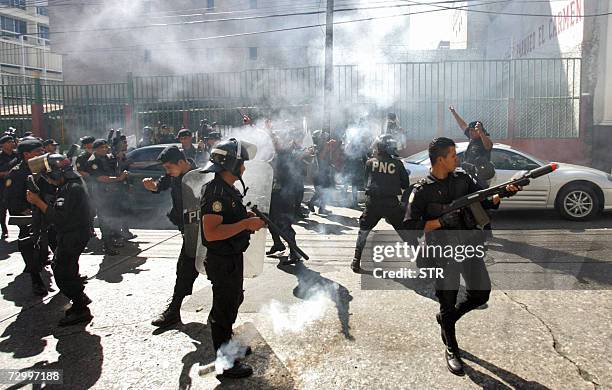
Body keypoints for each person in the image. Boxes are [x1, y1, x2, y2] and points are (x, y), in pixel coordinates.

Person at [403, 137, 520, 376]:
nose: (458, 159)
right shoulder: (422, 191)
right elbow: (412, 226)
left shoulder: (463, 180)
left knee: (480, 293)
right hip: (442, 252)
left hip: (468, 246)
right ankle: (451, 347)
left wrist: (505, 192)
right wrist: (440, 222)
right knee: (447, 299)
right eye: (453, 156)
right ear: (440, 159)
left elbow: (485, 200)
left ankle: (447, 319)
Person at [200, 138, 265, 379]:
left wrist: (245, 216)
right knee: (224, 309)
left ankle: (228, 344)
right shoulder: (216, 192)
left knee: (235, 299)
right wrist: (246, 224)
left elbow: (229, 218)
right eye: (242, 163)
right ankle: (225, 363)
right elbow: (211, 232)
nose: (244, 168)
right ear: (231, 165)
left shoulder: (228, 189)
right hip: (222, 259)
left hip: (231, 257)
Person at [26, 153, 94, 326]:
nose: (48, 180)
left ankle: (81, 307)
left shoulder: (70, 189)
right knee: (68, 268)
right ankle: (80, 300)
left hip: (73, 235)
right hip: (75, 233)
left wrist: (38, 202)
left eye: (48, 176)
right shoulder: (72, 184)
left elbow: (59, 218)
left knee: (63, 272)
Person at [142, 146, 198, 327]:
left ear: (181, 162)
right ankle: (173, 311)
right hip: (187, 231)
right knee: (184, 270)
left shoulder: (200, 176)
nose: (167, 171)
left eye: (169, 167)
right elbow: (161, 184)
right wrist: (153, 187)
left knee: (219, 273)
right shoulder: (174, 175)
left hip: (204, 232)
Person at [350, 134, 410, 272]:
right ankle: (422, 262)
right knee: (405, 232)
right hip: (391, 204)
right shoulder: (398, 164)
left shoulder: (370, 162)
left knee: (363, 232)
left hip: (373, 204)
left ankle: (356, 261)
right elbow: (405, 184)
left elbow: (366, 182)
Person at [5, 138, 47, 295]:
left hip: (46, 213)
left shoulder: (44, 168)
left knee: (51, 246)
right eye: (38, 152)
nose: (42, 154)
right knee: (29, 247)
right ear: (27, 154)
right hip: (28, 217)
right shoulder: (16, 173)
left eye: (42, 151)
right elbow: (12, 200)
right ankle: (36, 279)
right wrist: (26, 211)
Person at [266, 131, 302, 264]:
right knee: (270, 221)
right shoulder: (275, 155)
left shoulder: (287, 156)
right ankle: (277, 244)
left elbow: (282, 173)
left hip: (285, 195)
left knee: (285, 224)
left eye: (277, 140)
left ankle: (294, 252)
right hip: (273, 194)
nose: (275, 142)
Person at [88, 139, 129, 255]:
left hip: (112, 193)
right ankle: (107, 245)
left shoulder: (108, 158)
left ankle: (114, 239)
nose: (105, 149)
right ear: (96, 149)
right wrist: (119, 179)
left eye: (106, 147)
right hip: (101, 195)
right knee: (105, 219)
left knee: (114, 217)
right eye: (102, 147)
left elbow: (116, 167)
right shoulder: (93, 161)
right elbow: (100, 178)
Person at [449, 106, 494, 186]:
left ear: (479, 131)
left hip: (481, 176)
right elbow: (462, 125)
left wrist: (481, 133)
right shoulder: (472, 138)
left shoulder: (483, 140)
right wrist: (454, 112)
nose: (470, 132)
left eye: (473, 130)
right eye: (470, 130)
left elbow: (488, 146)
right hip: (470, 174)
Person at [0, 135, 18, 238]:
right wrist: (5, 174)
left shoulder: (17, 155)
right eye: (9, 142)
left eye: (12, 141)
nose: (12, 143)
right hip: (3, 187)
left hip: (16, 186)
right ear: (2, 145)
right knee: (2, 209)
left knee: (18, 207)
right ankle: (4, 229)